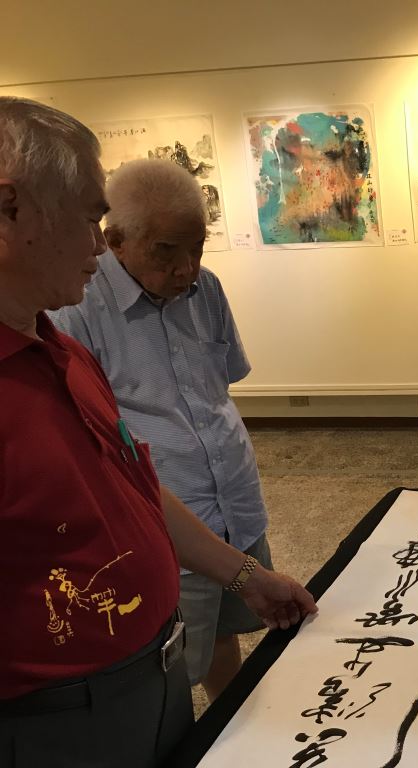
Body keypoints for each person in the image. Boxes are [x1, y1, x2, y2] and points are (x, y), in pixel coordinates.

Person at [0, 97, 316, 768]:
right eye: (89, 219)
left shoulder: (58, 348)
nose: (98, 245)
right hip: (56, 716)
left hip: (143, 677)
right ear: (8, 210)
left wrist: (245, 576)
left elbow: (133, 481)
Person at [50, 158, 275, 702]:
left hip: (236, 500)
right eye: (166, 251)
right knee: (169, 666)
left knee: (223, 633)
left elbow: (221, 384)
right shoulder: (78, 309)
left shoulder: (207, 289)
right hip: (165, 517)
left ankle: (230, 726)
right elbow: (86, 439)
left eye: (197, 249)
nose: (186, 269)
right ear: (116, 241)